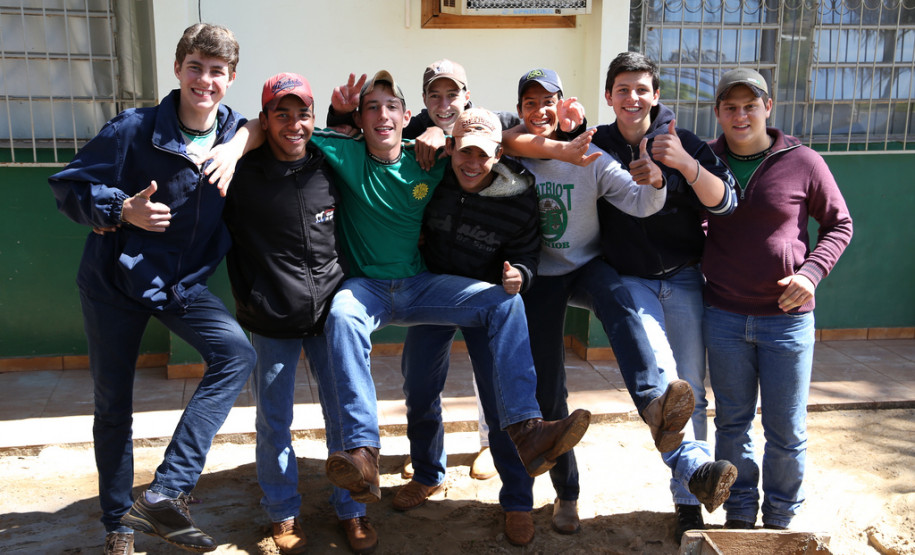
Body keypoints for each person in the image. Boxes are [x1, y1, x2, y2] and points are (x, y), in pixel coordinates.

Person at [219, 70, 593, 544]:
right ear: (359, 118)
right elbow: (280, 125)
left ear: (403, 116)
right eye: (371, 108)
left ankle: (526, 431)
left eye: (389, 108)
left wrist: (562, 142)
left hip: (421, 285)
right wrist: (233, 147)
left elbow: (507, 144)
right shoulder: (345, 149)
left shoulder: (436, 160)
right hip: (366, 289)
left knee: (505, 304)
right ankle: (363, 452)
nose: (382, 116)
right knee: (345, 319)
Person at [48, 23, 254, 554]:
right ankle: (119, 523)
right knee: (114, 403)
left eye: (216, 71)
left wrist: (236, 147)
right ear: (179, 68)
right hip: (113, 282)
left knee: (235, 353)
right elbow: (69, 187)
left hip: (179, 284)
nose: (204, 80)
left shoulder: (234, 131)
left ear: (231, 79)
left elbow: (263, 126)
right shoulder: (134, 129)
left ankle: (167, 490)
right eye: (195, 67)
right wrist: (121, 209)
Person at [505, 67, 696, 535]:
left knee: (620, 299)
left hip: (588, 263)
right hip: (540, 276)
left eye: (547, 101)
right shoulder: (513, 158)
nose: (539, 111)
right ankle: (566, 494)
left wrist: (655, 183)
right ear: (521, 110)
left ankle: (654, 404)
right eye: (529, 103)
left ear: (562, 102)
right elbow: (496, 136)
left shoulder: (591, 156)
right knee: (549, 387)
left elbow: (637, 202)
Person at [222, 73, 375, 555]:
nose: (293, 124)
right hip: (271, 319)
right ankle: (282, 512)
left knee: (344, 419)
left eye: (302, 114)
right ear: (264, 120)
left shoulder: (329, 164)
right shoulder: (242, 175)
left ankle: (352, 509)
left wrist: (341, 117)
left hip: (331, 316)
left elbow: (364, 143)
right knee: (274, 421)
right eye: (281, 114)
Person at [591, 51, 739, 541]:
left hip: (683, 278)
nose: (632, 98)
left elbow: (728, 200)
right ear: (609, 96)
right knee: (667, 382)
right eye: (622, 89)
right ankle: (690, 493)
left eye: (641, 89)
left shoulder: (682, 141)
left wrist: (684, 166)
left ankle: (689, 496)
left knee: (690, 390)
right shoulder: (595, 145)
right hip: (629, 279)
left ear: (656, 96)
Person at [704, 68, 852, 530]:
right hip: (724, 316)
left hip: (786, 321)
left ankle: (782, 519)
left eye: (751, 105)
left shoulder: (803, 160)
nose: (741, 114)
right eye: (731, 107)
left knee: (786, 431)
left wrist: (811, 274)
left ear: (768, 108)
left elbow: (839, 225)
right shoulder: (704, 160)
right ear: (719, 113)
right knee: (732, 425)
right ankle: (741, 513)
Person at [398, 107, 543, 545]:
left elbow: (529, 253)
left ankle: (518, 501)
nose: (472, 163)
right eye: (464, 152)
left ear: (497, 154)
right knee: (419, 386)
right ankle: (427, 473)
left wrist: (521, 273)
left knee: (501, 404)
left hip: (487, 303)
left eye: (482, 154)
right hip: (436, 292)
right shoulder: (435, 174)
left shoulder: (519, 194)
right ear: (450, 149)